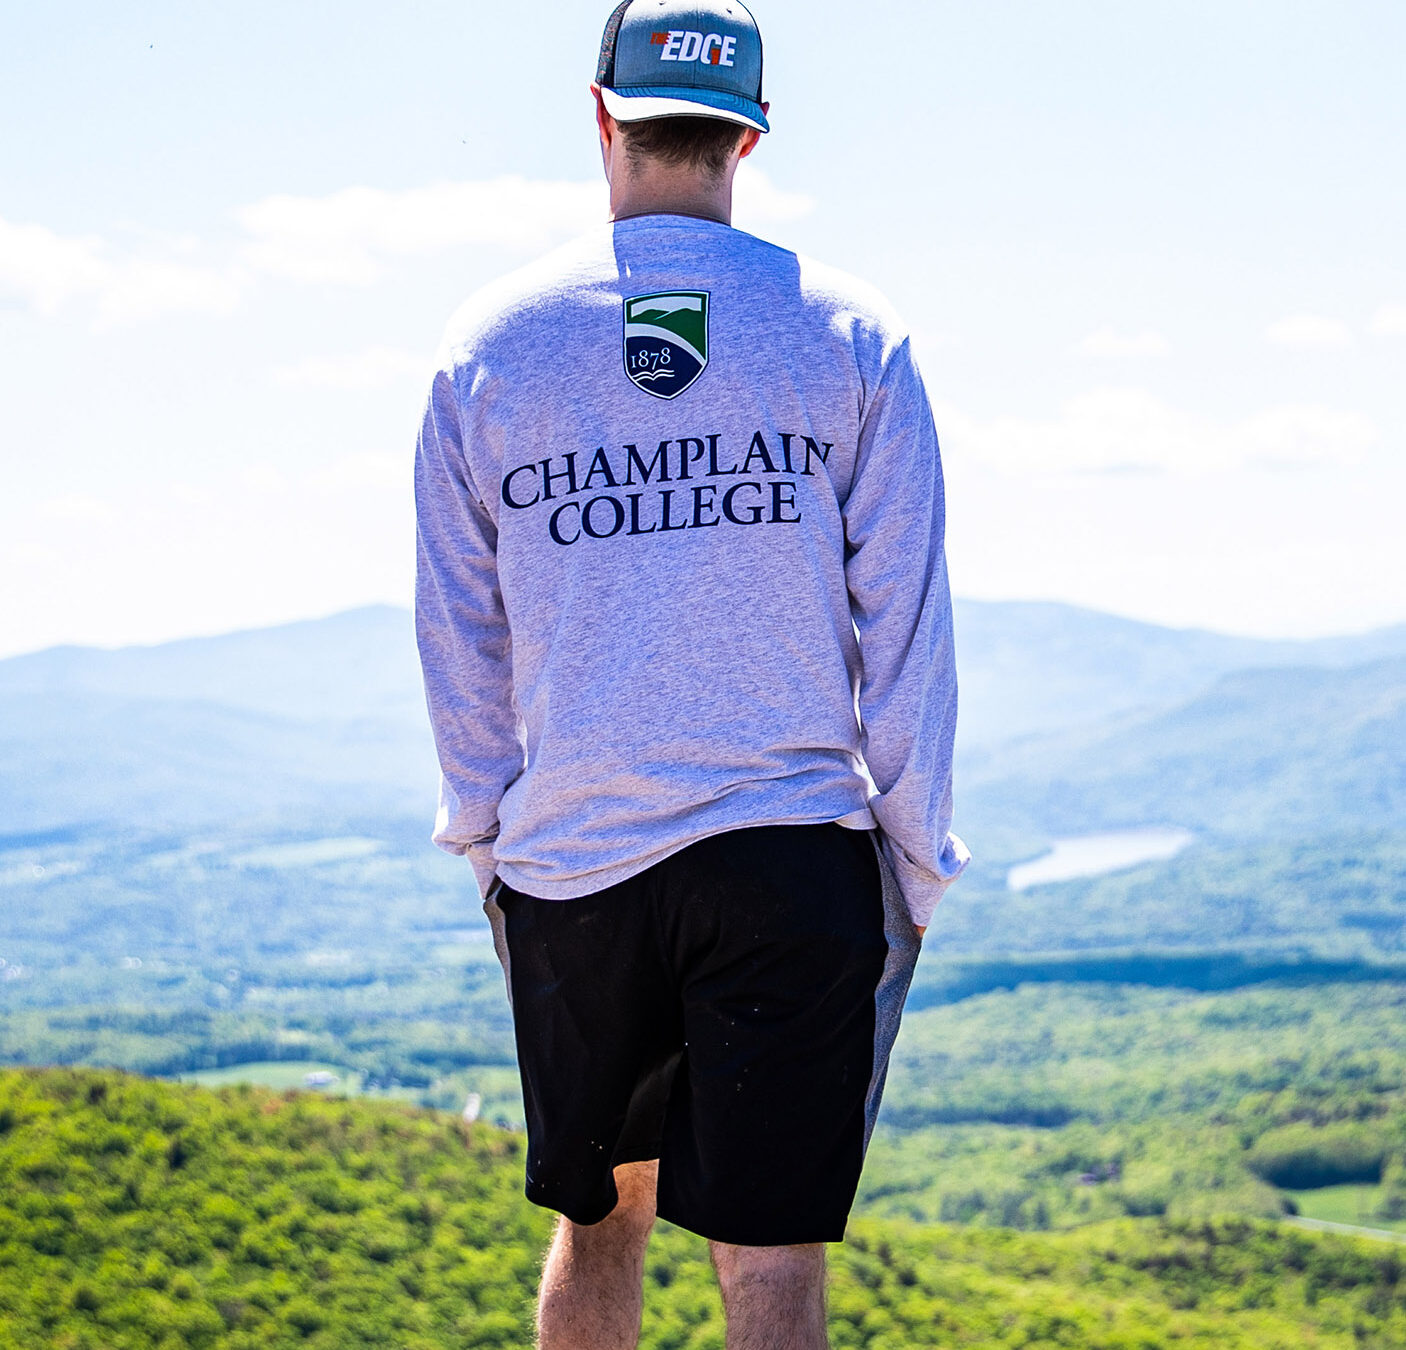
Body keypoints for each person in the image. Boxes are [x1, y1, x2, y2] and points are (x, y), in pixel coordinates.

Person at [413, 1, 969, 1344]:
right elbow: (905, 625)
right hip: (788, 854)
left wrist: (491, 835)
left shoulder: (488, 345)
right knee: (770, 1263)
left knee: (598, 1222)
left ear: (601, 114)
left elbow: (459, 631)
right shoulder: (846, 331)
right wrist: (915, 853)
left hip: (575, 864)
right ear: (748, 133)